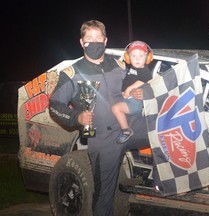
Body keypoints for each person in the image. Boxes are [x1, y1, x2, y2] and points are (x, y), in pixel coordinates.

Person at [49, 20, 149, 216]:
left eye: (98, 38)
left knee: (167, 128)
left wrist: (142, 93)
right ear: (81, 42)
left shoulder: (121, 65)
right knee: (104, 196)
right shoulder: (72, 73)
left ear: (105, 40)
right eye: (89, 39)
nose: (94, 42)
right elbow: (55, 105)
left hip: (131, 125)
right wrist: (76, 117)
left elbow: (142, 83)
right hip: (103, 139)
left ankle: (167, 189)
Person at [112, 41, 153, 144]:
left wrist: (128, 90)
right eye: (133, 56)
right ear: (128, 58)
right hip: (128, 100)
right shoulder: (132, 69)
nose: (137, 58)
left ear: (147, 58)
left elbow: (142, 81)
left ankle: (126, 131)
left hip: (134, 103)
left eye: (141, 56)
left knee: (115, 108)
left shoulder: (145, 71)